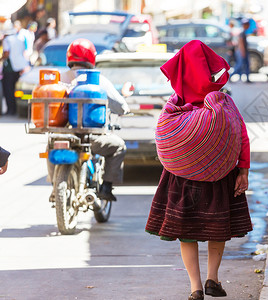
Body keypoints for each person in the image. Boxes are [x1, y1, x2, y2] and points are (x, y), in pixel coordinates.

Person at [145, 40, 252, 300]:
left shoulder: (173, 107)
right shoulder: (224, 103)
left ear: (180, 71)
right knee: (217, 229)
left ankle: (195, 287)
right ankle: (212, 279)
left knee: (186, 233)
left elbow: (163, 138)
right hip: (220, 176)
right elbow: (242, 135)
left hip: (181, 179)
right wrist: (243, 170)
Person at [47, 38, 130, 201]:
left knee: (51, 145)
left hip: (62, 135)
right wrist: (125, 110)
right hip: (92, 138)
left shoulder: (58, 79)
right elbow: (120, 106)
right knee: (119, 146)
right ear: (92, 57)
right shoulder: (98, 81)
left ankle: (54, 188)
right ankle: (106, 187)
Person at [1, 21, 30, 115]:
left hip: (10, 68)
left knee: (8, 89)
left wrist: (1, 59)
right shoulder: (20, 39)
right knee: (15, 88)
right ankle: (15, 109)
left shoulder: (7, 40)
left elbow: (6, 53)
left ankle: (11, 109)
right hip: (19, 66)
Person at [230, 19, 251, 83]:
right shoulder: (242, 33)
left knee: (246, 65)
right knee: (239, 65)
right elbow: (241, 43)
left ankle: (246, 78)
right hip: (241, 51)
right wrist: (243, 52)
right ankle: (230, 76)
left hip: (242, 51)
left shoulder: (243, 32)